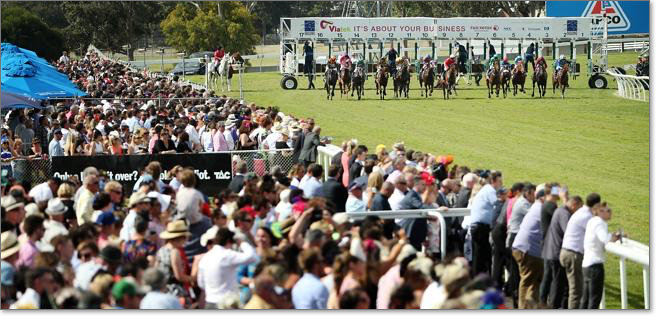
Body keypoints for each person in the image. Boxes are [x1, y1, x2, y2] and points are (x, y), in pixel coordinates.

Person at [197, 227, 257, 309]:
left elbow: (201, 284)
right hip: (226, 304)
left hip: (210, 303)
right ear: (229, 241)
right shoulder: (227, 255)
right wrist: (242, 243)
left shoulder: (205, 258)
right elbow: (252, 257)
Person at [540, 195, 583, 309]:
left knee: (553, 282)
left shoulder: (560, 210)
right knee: (557, 284)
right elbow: (568, 232)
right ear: (574, 205)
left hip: (550, 251)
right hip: (555, 253)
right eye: (579, 208)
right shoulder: (564, 214)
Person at [560, 192, 601, 309]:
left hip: (567, 252)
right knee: (576, 292)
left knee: (575, 289)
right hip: (573, 254)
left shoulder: (581, 212)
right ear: (596, 205)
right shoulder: (587, 217)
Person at [511, 188, 545, 309]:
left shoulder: (536, 206)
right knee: (528, 282)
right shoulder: (541, 208)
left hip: (524, 248)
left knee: (533, 282)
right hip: (527, 250)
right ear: (543, 197)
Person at [469, 171, 502, 277]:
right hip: (480, 227)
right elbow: (498, 205)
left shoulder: (487, 189)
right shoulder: (490, 190)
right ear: (493, 181)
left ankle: (480, 278)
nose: (501, 184)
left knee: (481, 255)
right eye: (500, 181)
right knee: (480, 256)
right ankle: (477, 280)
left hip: (480, 226)